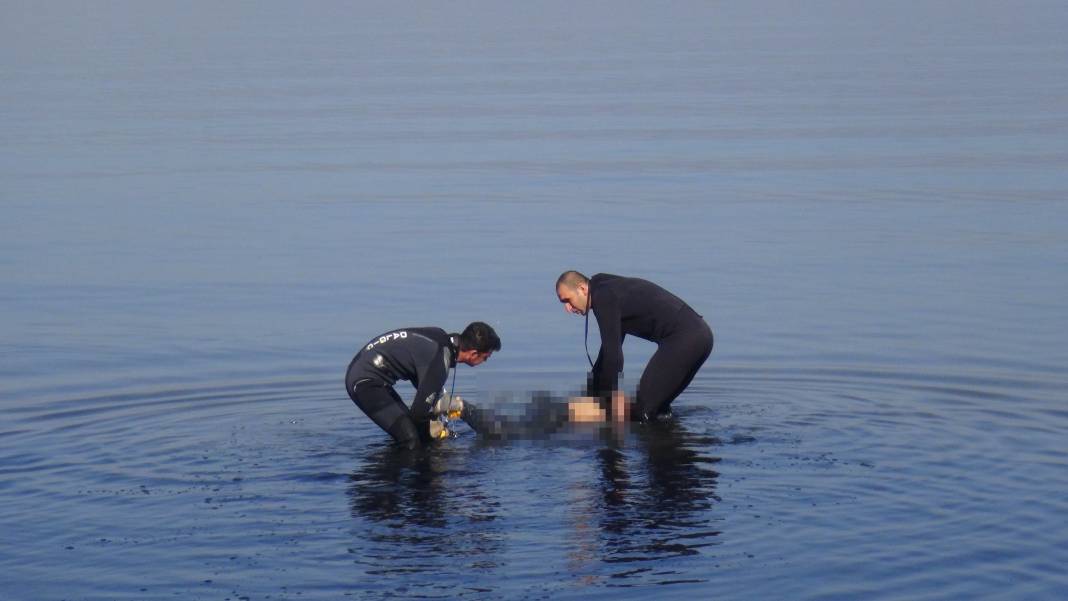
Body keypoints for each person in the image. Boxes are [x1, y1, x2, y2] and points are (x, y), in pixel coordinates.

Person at [555, 271, 713, 422]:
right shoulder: (606, 289)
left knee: (642, 411)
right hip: (701, 335)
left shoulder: (603, 297)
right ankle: (670, 445)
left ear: (582, 289)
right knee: (657, 409)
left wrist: (602, 404)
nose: (568, 308)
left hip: (685, 339)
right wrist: (592, 395)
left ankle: (643, 446)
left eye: (567, 300)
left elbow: (614, 358)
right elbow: (607, 353)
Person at [345, 322, 500, 449]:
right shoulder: (439, 362)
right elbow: (418, 414)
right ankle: (404, 485)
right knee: (410, 439)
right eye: (485, 358)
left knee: (420, 432)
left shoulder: (440, 338)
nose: (484, 362)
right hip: (364, 381)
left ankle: (488, 431)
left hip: (371, 374)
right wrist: (434, 429)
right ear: (473, 354)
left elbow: (422, 379)